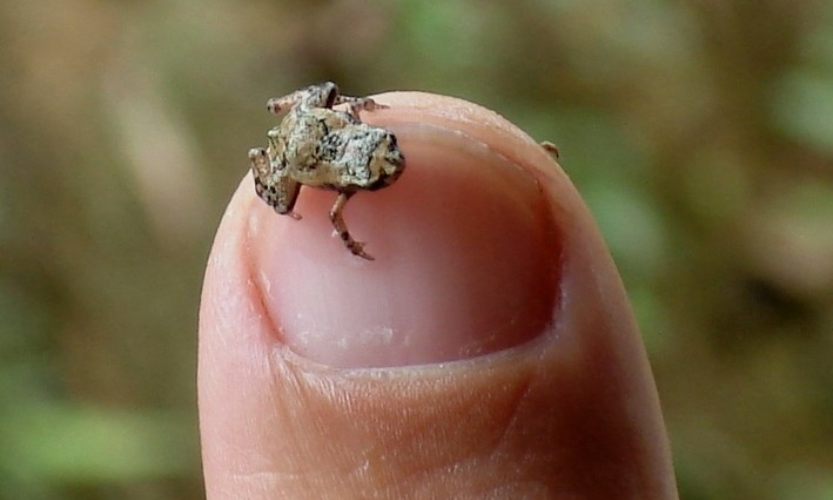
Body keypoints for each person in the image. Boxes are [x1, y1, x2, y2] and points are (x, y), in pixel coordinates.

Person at [198, 92, 679, 499]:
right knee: (281, 200)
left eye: (387, 147)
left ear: (369, 132)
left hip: (322, 128)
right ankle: (266, 156)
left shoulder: (351, 130)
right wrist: (352, 246)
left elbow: (346, 123)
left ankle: (293, 116)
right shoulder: (343, 189)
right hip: (300, 152)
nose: (394, 165)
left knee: (327, 98)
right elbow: (336, 221)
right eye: (379, 176)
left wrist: (353, 110)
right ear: (356, 182)